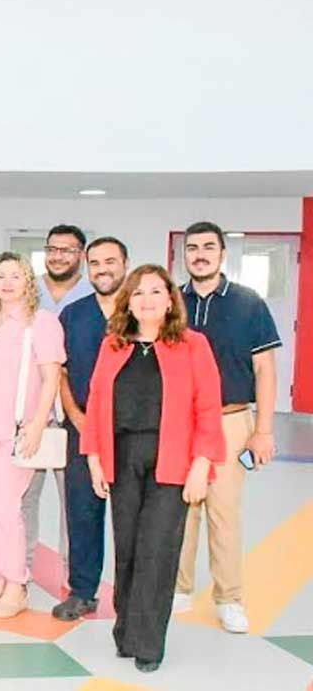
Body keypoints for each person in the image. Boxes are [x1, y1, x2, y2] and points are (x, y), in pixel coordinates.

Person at [81, 264, 224, 673]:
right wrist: (94, 458)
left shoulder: (193, 345)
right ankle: (126, 630)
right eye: (138, 292)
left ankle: (148, 643)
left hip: (173, 460)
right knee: (127, 549)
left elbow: (208, 407)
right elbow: (96, 401)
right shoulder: (113, 345)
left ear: (170, 300)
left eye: (156, 291)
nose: (147, 299)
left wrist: (201, 464)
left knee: (157, 550)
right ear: (128, 301)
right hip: (121, 458)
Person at [175, 221, 281, 634]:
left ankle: (229, 599)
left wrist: (263, 430)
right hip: (180, 424)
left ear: (222, 254)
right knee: (180, 512)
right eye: (192, 247)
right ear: (184, 255)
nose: (199, 254)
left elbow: (265, 370)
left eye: (208, 247)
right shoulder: (171, 302)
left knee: (223, 514)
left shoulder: (248, 303)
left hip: (231, 421)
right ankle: (178, 589)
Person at [0, 252, 64, 619]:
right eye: (0, 276)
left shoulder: (42, 323)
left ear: (28, 283)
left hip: (17, 430)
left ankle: (17, 583)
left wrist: (37, 425)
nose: (7, 283)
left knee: (7, 508)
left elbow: (51, 378)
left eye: (15, 276)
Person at [51, 237, 129, 621]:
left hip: (132, 433)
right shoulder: (73, 315)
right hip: (81, 430)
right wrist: (76, 416)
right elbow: (61, 373)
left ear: (125, 264)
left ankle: (130, 598)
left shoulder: (141, 312)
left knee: (130, 518)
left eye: (110, 261)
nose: (103, 269)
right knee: (82, 512)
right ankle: (82, 591)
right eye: (95, 263)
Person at [23, 224, 91, 580]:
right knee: (22, 497)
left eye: (67, 250)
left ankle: (72, 571)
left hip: (76, 415)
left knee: (75, 502)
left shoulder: (93, 294)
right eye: (52, 249)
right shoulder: (26, 291)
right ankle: (19, 567)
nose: (58, 256)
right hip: (30, 413)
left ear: (81, 255)